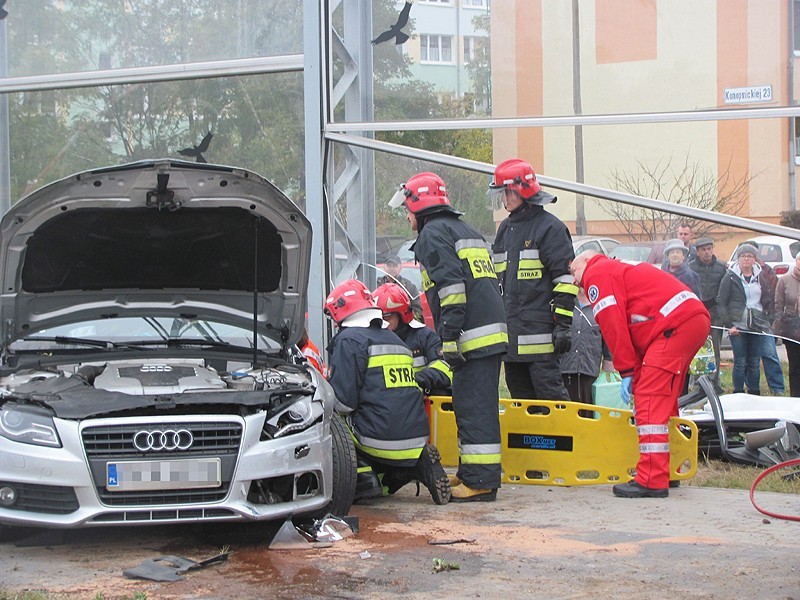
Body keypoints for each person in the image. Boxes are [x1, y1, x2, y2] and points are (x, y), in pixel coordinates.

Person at [389, 171, 507, 502]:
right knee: (472, 405)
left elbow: (453, 291)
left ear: (417, 204)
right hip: (486, 332)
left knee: (475, 407)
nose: (406, 216)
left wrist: (450, 339)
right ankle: (473, 474)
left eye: (407, 208)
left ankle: (481, 482)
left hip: (472, 336)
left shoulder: (432, 236)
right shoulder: (462, 229)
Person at [570, 250, 709, 498]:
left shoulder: (597, 273)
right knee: (664, 401)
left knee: (649, 397)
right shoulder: (617, 269)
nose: (574, 280)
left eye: (574, 271)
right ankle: (667, 471)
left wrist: (626, 368)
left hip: (674, 325)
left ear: (588, 261)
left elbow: (613, 324)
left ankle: (651, 479)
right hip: (686, 320)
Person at [324, 279, 450, 505]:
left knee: (330, 420)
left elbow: (343, 403)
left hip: (376, 440)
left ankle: (363, 480)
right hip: (415, 438)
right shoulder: (397, 341)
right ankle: (417, 465)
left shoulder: (348, 340)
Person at [488, 158, 577, 401]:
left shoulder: (550, 228)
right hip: (512, 342)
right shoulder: (506, 229)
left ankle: (564, 439)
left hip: (542, 343)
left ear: (523, 190)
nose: (504, 200)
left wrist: (563, 326)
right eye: (501, 194)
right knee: (521, 405)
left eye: (508, 192)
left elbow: (566, 280)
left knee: (551, 400)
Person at [372, 282, 452, 395]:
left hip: (419, 401)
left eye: (387, 318)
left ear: (402, 315)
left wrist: (418, 380)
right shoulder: (372, 339)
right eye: (378, 318)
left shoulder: (425, 337)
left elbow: (445, 367)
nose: (382, 323)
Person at [716, 243, 774, 395]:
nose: (746, 259)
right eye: (743, 256)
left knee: (754, 362)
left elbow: (768, 300)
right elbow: (721, 301)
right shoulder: (730, 277)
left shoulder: (761, 276)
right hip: (738, 327)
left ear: (755, 259)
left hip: (756, 326)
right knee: (740, 362)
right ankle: (738, 392)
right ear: (738, 258)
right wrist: (729, 325)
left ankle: (754, 392)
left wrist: (768, 321)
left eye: (750, 256)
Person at [560, 288, 614, 405]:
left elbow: (608, 336)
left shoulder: (600, 307)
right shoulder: (566, 303)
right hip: (565, 371)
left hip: (589, 372)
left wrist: (608, 362)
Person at [688, 237, 727, 388]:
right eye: (703, 250)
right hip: (697, 313)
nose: (707, 252)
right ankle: (697, 382)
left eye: (709, 249)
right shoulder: (690, 268)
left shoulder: (721, 267)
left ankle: (715, 382)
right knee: (697, 348)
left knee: (715, 349)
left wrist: (721, 312)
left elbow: (724, 291)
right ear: (697, 252)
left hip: (715, 313)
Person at [774, 253, 800, 396]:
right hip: (792, 328)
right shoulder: (785, 280)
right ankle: (795, 396)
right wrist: (777, 329)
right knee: (795, 366)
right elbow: (778, 305)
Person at [377, 255, 423, 319]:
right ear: (384, 267)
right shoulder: (376, 285)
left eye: (394, 266)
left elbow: (417, 310)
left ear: (400, 268)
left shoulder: (409, 287)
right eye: (389, 266)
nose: (391, 269)